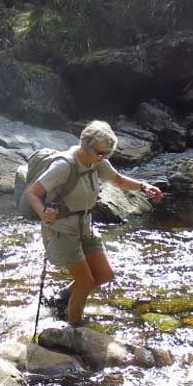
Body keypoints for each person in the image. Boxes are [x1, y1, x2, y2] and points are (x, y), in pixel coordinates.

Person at [24, 121, 163, 325]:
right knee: (85, 281)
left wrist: (144, 186)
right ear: (85, 146)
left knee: (104, 274)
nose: (104, 158)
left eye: (107, 154)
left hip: (86, 225)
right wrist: (43, 212)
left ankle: (61, 297)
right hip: (62, 228)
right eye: (100, 153)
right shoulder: (63, 166)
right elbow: (33, 193)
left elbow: (119, 181)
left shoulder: (97, 162)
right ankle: (74, 329)